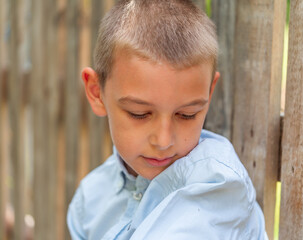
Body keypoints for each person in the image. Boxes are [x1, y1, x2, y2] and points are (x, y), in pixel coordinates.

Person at [67, 0, 268, 239]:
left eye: (187, 115)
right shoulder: (90, 199)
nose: (163, 141)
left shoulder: (217, 184)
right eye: (139, 113)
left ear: (208, 93)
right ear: (96, 92)